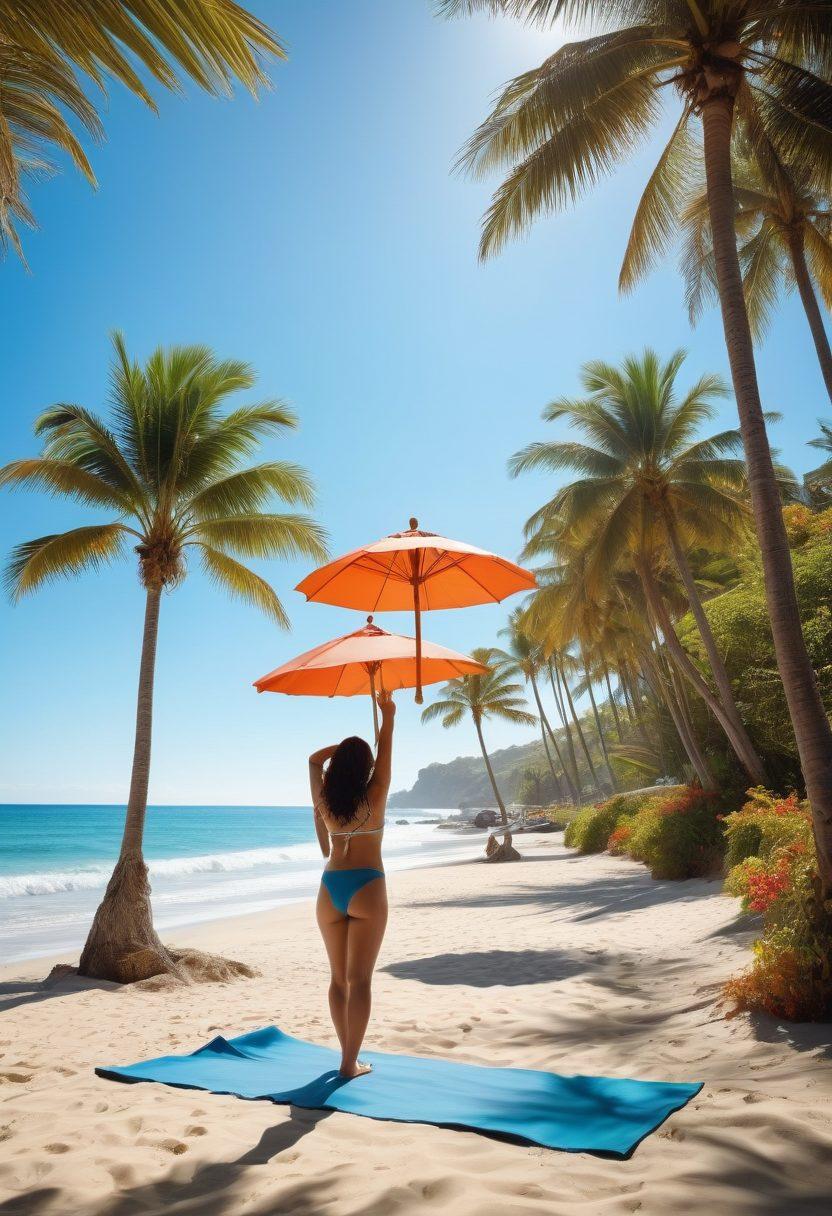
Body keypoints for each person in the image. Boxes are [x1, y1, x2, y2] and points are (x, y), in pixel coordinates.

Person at [309, 690, 395, 1078]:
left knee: (338, 980)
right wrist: (387, 714)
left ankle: (346, 1056)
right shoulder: (375, 795)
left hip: (330, 889)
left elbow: (314, 760)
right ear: (366, 768)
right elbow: (385, 749)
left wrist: (343, 748)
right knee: (359, 981)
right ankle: (349, 1063)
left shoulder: (325, 799)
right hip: (367, 886)